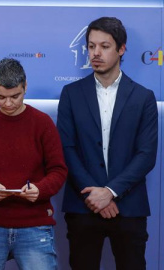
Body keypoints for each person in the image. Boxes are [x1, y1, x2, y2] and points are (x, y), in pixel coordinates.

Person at [57, 17, 158, 270]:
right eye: (91, 46)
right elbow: (66, 149)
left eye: (104, 46)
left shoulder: (144, 97)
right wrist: (94, 194)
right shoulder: (71, 94)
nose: (96, 53)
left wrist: (110, 192)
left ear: (121, 49)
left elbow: (146, 155)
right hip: (83, 205)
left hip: (129, 207)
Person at [0, 58, 67, 270]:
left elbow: (58, 170)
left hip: (35, 224)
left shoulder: (42, 123)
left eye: (15, 96)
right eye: (1, 97)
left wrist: (40, 189)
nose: (8, 103)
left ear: (25, 87)